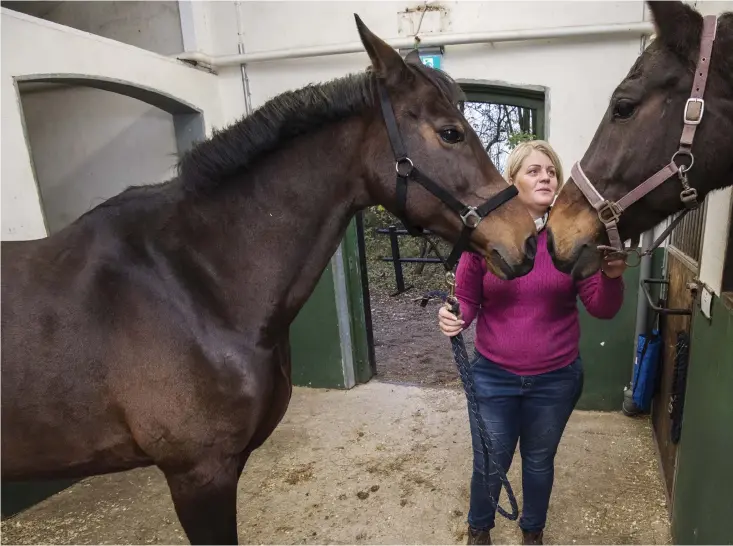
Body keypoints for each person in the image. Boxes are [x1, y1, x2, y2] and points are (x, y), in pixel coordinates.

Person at [438, 140, 626, 545]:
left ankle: (533, 533)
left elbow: (602, 308)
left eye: (551, 171)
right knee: (490, 463)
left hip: (555, 379)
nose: (545, 177)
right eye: (534, 170)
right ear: (512, 183)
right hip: (493, 376)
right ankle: (479, 529)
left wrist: (611, 276)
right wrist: (456, 316)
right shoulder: (485, 238)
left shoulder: (576, 241)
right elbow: (469, 299)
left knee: (539, 462)